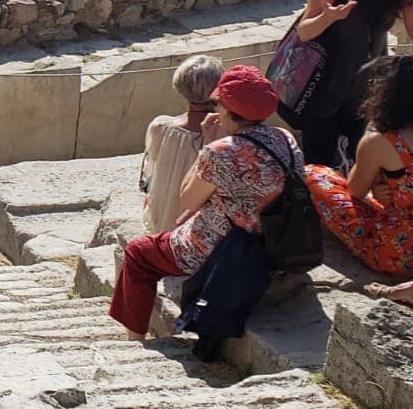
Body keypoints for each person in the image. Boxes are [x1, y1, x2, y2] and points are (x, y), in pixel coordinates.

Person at [108, 66, 303, 341]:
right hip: (276, 240)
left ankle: (134, 338)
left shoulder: (222, 151)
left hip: (224, 245)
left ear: (227, 109)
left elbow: (188, 198)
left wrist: (208, 145)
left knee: (139, 252)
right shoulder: (284, 138)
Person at [280, 0, 413, 167]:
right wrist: (329, 18)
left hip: (364, 90)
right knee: (320, 167)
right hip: (321, 87)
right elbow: (305, 33)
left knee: (356, 161)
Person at [305, 55, 413, 281]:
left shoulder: (381, 141)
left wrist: (378, 183)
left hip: (399, 252)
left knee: (313, 175)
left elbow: (355, 191)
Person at [140, 55, 227, 235]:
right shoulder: (224, 136)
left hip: (162, 219)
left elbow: (150, 173)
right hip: (199, 227)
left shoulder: (160, 127)